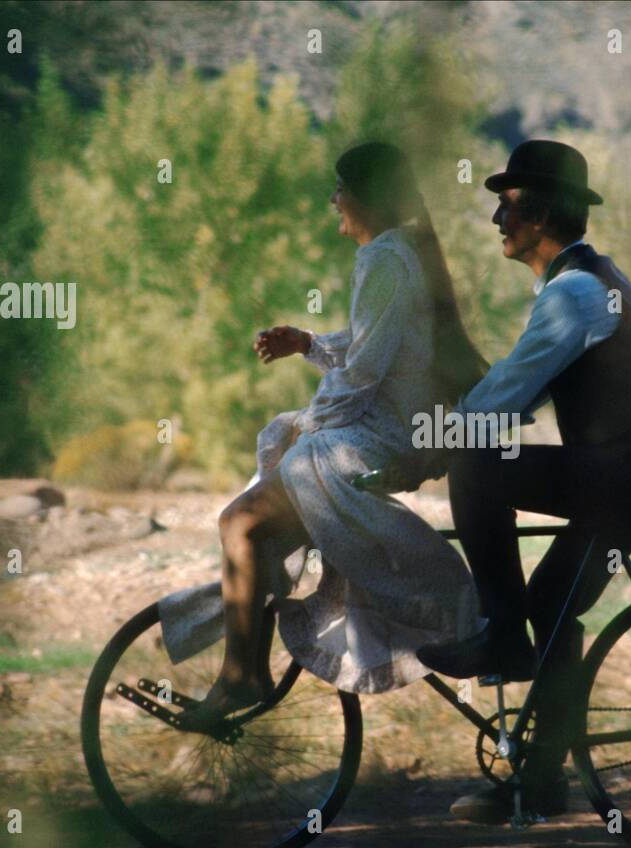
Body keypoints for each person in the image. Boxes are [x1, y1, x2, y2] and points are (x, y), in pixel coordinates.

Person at [416, 140, 631, 822]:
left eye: (506, 207)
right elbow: (512, 395)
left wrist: (428, 449)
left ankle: (500, 632)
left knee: (474, 466)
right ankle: (540, 782)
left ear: (539, 215)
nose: (496, 221)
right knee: (555, 602)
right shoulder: (579, 284)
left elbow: (500, 401)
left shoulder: (575, 293)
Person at [173, 141, 490, 730]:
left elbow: (368, 371)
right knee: (256, 519)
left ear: (366, 197)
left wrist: (310, 428)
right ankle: (244, 665)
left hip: (381, 436)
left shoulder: (386, 259)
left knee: (238, 522)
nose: (333, 200)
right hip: (386, 430)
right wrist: (310, 345)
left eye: (340, 188)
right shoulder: (394, 256)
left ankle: (242, 675)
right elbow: (381, 344)